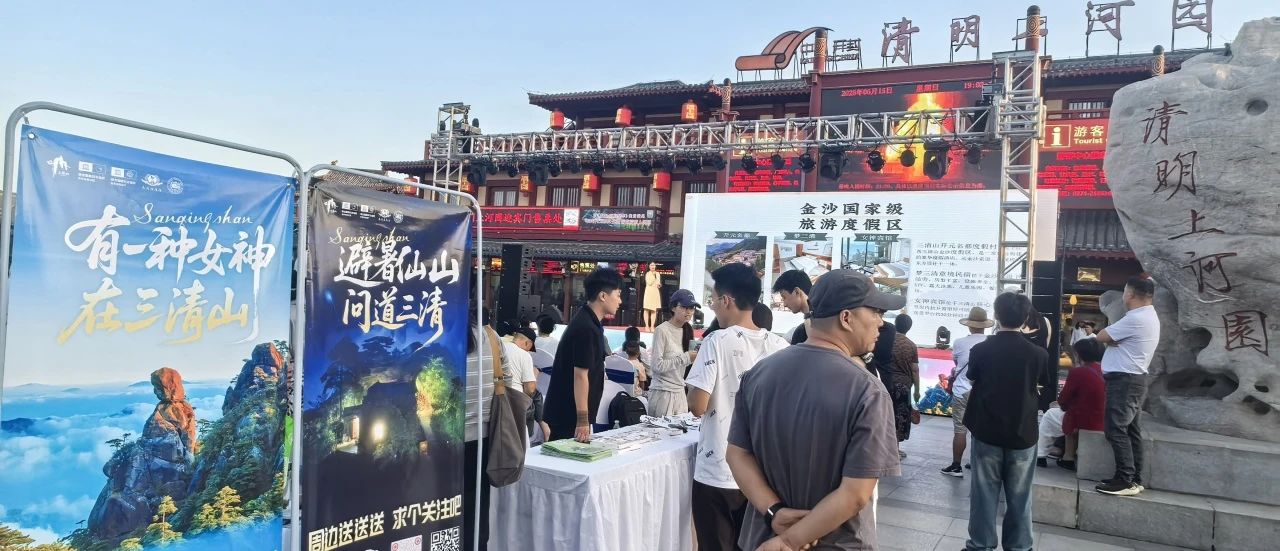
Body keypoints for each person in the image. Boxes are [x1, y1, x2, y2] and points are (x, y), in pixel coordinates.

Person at [727, 269, 903, 550]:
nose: (881, 322)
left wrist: (775, 511)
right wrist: (790, 541)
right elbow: (856, 493)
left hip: (762, 539)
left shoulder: (759, 374)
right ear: (846, 318)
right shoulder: (867, 390)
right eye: (875, 312)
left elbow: (737, 454)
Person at [686, 263, 789, 551]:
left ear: (727, 300)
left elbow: (697, 405)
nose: (713, 307)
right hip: (762, 476)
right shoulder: (781, 346)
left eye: (713, 300)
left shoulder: (716, 341)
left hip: (717, 469)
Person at [963, 292, 1056, 551]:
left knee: (983, 494)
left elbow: (972, 377)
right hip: (1023, 431)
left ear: (996, 315)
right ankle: (1020, 546)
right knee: (1020, 496)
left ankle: (980, 545)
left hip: (987, 429)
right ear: (1025, 318)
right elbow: (1043, 383)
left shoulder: (981, 350)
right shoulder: (1038, 354)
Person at [1094, 276, 1160, 496]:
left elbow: (1101, 336)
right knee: (1131, 431)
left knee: (1116, 429)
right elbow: (1109, 338)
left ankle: (1125, 479)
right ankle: (1133, 478)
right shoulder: (1148, 315)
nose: (1123, 296)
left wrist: (1111, 339)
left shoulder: (1136, 318)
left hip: (1124, 381)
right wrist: (1112, 339)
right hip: (1134, 379)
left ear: (1130, 294)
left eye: (1124, 291)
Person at [544, 268, 623, 442]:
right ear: (603, 296)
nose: (620, 301)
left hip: (569, 412)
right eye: (618, 295)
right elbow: (580, 375)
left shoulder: (588, 321)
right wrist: (582, 419)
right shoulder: (586, 327)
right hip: (568, 415)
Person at [941, 307, 993, 478]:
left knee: (960, 429)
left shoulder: (959, 342)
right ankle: (976, 462)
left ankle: (956, 466)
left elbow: (957, 363)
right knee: (980, 430)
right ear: (985, 325)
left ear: (969, 325)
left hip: (962, 390)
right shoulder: (990, 343)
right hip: (982, 392)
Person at [1054, 338, 1107, 471]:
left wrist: (1062, 405)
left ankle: (1064, 456)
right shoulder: (1107, 370)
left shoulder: (1078, 372)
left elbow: (1063, 398)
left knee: (1051, 415)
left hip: (1083, 420)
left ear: (1078, 354)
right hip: (1105, 418)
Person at [648, 289, 699, 416]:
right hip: (662, 394)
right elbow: (656, 366)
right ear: (673, 308)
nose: (689, 312)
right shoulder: (662, 330)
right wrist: (686, 358)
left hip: (680, 393)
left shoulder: (688, 330)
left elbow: (684, 367)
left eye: (691, 308)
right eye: (684, 307)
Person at [889, 314, 921, 455]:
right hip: (904, 386)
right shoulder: (911, 345)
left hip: (887, 383)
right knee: (899, 417)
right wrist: (917, 390)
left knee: (887, 415)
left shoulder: (887, 341)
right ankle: (894, 450)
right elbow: (915, 370)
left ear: (895, 324)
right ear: (909, 328)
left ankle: (889, 449)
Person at [772, 269, 813, 344]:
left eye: (784, 297)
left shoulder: (817, 324)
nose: (785, 304)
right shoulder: (803, 327)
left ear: (797, 292)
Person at [643, 262, 662, 331]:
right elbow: (649, 282)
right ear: (649, 266)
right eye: (651, 265)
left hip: (655, 292)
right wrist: (654, 276)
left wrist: (659, 285)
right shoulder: (647, 274)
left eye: (654, 265)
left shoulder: (658, 274)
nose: (653, 266)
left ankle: (652, 326)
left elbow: (658, 283)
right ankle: (647, 326)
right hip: (648, 292)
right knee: (647, 309)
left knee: (654, 310)